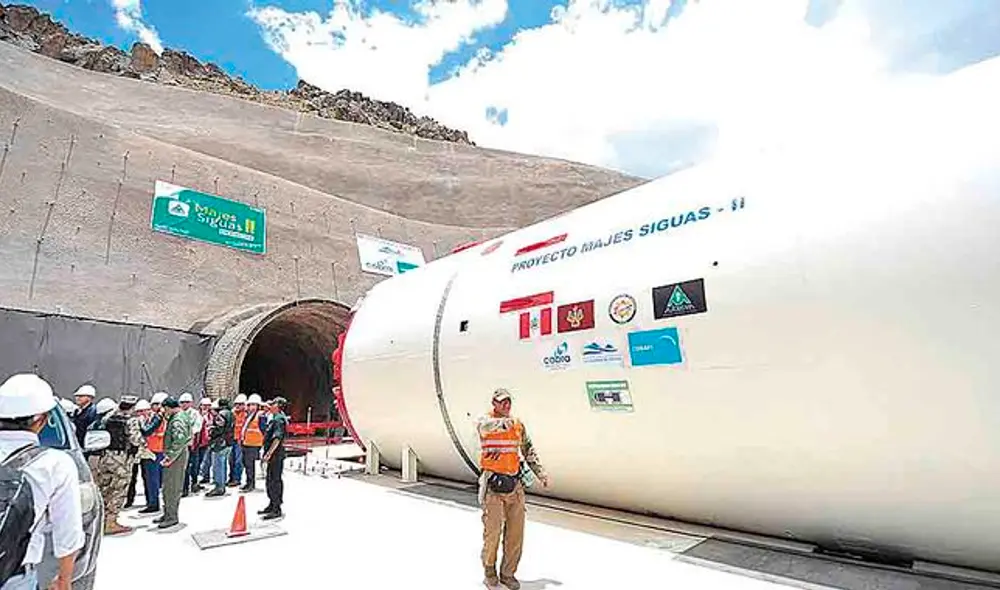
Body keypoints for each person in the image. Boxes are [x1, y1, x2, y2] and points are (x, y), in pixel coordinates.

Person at [0, 374, 85, 590]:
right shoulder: (55, 463)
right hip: (14, 577)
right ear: (42, 420)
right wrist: (63, 580)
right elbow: (68, 532)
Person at [477, 388, 549, 590]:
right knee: (492, 532)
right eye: (502, 402)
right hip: (493, 486)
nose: (506, 405)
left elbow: (528, 449)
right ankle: (489, 571)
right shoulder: (486, 422)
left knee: (516, 533)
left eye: (509, 401)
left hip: (514, 486)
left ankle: (508, 573)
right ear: (494, 403)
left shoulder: (517, 424)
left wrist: (540, 473)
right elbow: (483, 427)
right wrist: (504, 422)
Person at [91, 397, 138, 535]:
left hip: (105, 457)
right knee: (119, 489)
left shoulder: (107, 418)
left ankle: (101, 520)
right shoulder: (130, 421)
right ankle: (111, 522)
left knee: (104, 488)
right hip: (121, 459)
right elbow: (136, 439)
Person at [155, 397, 192, 529]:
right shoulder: (178, 415)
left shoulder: (178, 420)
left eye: (164, 409)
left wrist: (170, 456)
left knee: (172, 486)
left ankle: (171, 517)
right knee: (167, 486)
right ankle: (167, 513)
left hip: (177, 455)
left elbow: (179, 440)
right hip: (177, 454)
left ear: (168, 408)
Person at [258, 396, 288, 520]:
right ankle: (271, 504)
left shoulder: (279, 420)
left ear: (278, 406)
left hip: (276, 455)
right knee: (269, 480)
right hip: (273, 454)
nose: (270, 405)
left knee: (275, 480)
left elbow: (277, 438)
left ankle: (276, 508)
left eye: (273, 403)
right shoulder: (274, 417)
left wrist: (269, 453)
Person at [138, 392, 168, 514]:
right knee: (151, 478)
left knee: (151, 479)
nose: (153, 407)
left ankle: (153, 503)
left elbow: (147, 431)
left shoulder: (158, 417)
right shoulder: (165, 417)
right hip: (156, 449)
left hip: (153, 450)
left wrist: (140, 424)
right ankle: (152, 502)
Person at [121, 396, 150, 510]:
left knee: (146, 478)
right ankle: (129, 499)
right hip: (134, 454)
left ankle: (150, 501)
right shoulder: (133, 421)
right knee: (131, 478)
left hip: (145, 453)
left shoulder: (152, 419)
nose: (142, 413)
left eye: (144, 411)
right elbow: (135, 438)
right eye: (139, 411)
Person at [205, 398, 234, 498]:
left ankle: (219, 487)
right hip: (229, 442)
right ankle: (222, 484)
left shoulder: (221, 414)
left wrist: (211, 431)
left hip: (220, 443)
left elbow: (219, 428)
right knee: (223, 465)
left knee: (218, 466)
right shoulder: (231, 413)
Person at [239, 394, 266, 492]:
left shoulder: (260, 416)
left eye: (254, 405)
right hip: (246, 443)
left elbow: (264, 430)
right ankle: (248, 482)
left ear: (258, 406)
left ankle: (251, 484)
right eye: (250, 405)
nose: (251, 407)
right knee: (246, 464)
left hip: (254, 444)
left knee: (250, 465)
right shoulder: (249, 416)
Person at [178, 393, 204, 497]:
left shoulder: (195, 414)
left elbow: (197, 427)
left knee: (193, 465)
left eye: (186, 402)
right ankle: (184, 488)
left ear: (191, 403)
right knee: (184, 467)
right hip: (181, 444)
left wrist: (186, 435)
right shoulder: (178, 413)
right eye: (182, 402)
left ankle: (193, 483)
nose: (184, 404)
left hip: (191, 444)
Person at [229, 393, 247, 487]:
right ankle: (231, 478)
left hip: (241, 440)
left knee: (238, 461)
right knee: (231, 460)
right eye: (236, 404)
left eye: (240, 404)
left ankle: (237, 479)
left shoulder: (247, 414)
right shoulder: (232, 413)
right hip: (232, 439)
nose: (237, 406)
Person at [197, 398, 214, 484]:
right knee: (199, 460)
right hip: (198, 441)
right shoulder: (197, 415)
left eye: (208, 405)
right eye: (204, 405)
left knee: (207, 460)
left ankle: (206, 476)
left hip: (208, 441)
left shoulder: (212, 415)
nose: (206, 407)